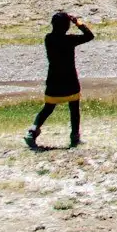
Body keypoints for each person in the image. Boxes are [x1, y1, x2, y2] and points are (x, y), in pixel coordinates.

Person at [25, 11, 94, 149]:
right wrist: (78, 22)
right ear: (67, 26)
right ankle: (75, 137)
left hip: (54, 80)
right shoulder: (70, 40)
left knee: (48, 108)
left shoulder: (48, 39)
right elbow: (89, 36)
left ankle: (32, 132)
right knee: (74, 109)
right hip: (70, 80)